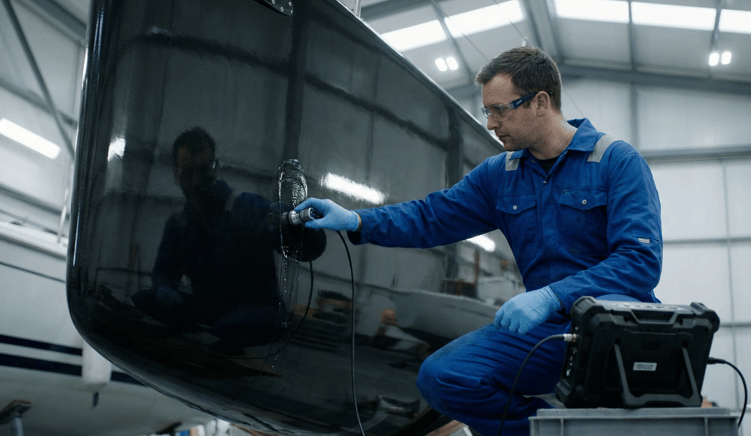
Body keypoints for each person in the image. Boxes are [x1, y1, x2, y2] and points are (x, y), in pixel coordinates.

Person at [294, 46, 662, 435]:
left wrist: (552, 296)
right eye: (487, 111)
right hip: (549, 330)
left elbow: (639, 262)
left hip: (614, 328)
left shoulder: (616, 162)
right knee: (443, 377)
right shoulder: (499, 175)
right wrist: (356, 220)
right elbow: (431, 216)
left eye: (500, 110)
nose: (490, 123)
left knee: (607, 340)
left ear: (540, 102)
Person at [135, 127, 325, 352]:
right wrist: (164, 288)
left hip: (257, 313)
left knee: (251, 323)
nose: (195, 182)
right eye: (187, 174)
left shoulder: (245, 208)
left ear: (215, 168)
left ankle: (215, 336)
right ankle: (212, 335)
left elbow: (310, 244)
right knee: (144, 299)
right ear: (177, 175)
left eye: (203, 171)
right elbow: (164, 272)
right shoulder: (178, 226)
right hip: (209, 310)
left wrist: (294, 226)